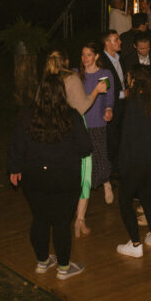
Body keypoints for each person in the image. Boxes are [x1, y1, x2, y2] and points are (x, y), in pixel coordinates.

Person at [7, 74, 92, 280]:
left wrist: (14, 169)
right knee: (62, 222)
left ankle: (42, 262)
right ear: (62, 94)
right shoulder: (71, 117)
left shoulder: (28, 116)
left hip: (35, 178)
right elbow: (85, 148)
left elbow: (17, 146)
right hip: (65, 178)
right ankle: (63, 267)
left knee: (40, 219)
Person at [44, 49, 109, 237]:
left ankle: (58, 217)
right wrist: (97, 90)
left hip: (52, 132)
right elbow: (81, 107)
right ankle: (79, 220)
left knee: (60, 175)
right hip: (73, 131)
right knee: (84, 177)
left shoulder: (46, 79)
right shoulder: (71, 78)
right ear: (65, 60)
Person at [115, 65, 151, 257]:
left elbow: (127, 137)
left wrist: (123, 167)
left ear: (135, 80)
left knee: (124, 200)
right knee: (147, 196)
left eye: (129, 78)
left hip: (136, 161)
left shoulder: (134, 102)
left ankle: (135, 244)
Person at [79, 42, 116, 211]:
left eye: (88, 54)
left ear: (96, 56)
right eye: (83, 55)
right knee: (82, 160)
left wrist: (108, 110)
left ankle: (106, 182)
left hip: (98, 122)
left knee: (100, 156)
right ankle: (82, 191)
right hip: (80, 124)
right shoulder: (76, 74)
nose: (85, 58)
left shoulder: (104, 74)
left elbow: (109, 97)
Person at [102, 29, 128, 174]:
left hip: (121, 107)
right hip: (110, 107)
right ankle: (110, 173)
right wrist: (123, 94)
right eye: (116, 39)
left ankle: (118, 169)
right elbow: (104, 89)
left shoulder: (119, 58)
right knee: (111, 141)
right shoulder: (102, 62)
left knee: (119, 139)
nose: (120, 42)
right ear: (107, 43)